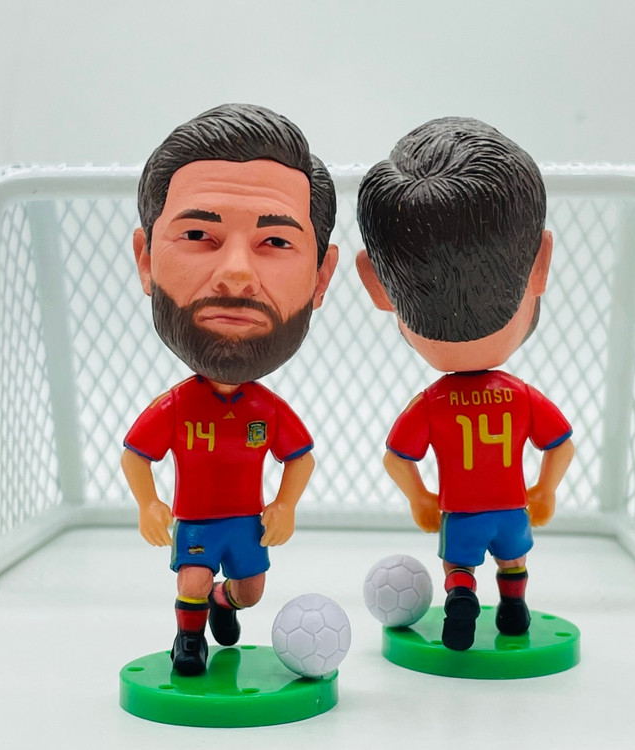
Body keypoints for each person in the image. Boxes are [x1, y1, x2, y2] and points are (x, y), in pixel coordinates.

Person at [121, 103, 338, 675]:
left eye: (276, 241)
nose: (237, 274)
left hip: (247, 522)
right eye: (198, 234)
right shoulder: (175, 406)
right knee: (191, 579)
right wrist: (148, 503)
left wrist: (285, 505)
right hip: (195, 521)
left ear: (322, 277)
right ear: (146, 259)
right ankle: (189, 641)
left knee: (251, 592)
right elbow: (137, 453)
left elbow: (299, 455)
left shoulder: (267, 408)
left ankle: (225, 602)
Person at [356, 117, 574, 651]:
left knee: (459, 565)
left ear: (379, 288)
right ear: (540, 264)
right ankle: (514, 606)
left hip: (461, 513)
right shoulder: (519, 396)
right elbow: (561, 443)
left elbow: (395, 457)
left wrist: (420, 498)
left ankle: (460, 595)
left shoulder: (434, 402)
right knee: (513, 561)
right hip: (511, 510)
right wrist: (545, 489)